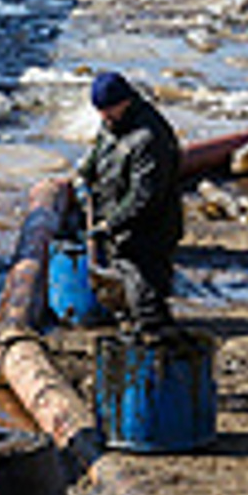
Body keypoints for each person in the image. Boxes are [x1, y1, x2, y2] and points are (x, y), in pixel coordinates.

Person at [77, 71, 183, 336]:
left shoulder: (150, 137)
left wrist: (109, 224)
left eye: (109, 109)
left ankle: (156, 347)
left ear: (126, 101)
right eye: (100, 111)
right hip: (121, 226)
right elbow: (99, 153)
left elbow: (145, 197)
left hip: (149, 230)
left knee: (146, 294)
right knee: (126, 289)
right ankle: (135, 329)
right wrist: (85, 174)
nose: (104, 117)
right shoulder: (113, 125)